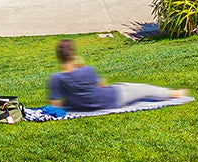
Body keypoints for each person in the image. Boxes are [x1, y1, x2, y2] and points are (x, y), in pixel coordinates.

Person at [47, 39, 187, 112]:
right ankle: (174, 94)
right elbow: (103, 85)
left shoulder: (55, 79)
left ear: (58, 57)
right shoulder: (87, 70)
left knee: (131, 87)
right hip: (114, 97)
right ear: (73, 54)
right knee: (144, 89)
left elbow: (56, 106)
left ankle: (172, 93)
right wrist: (81, 67)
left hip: (89, 104)